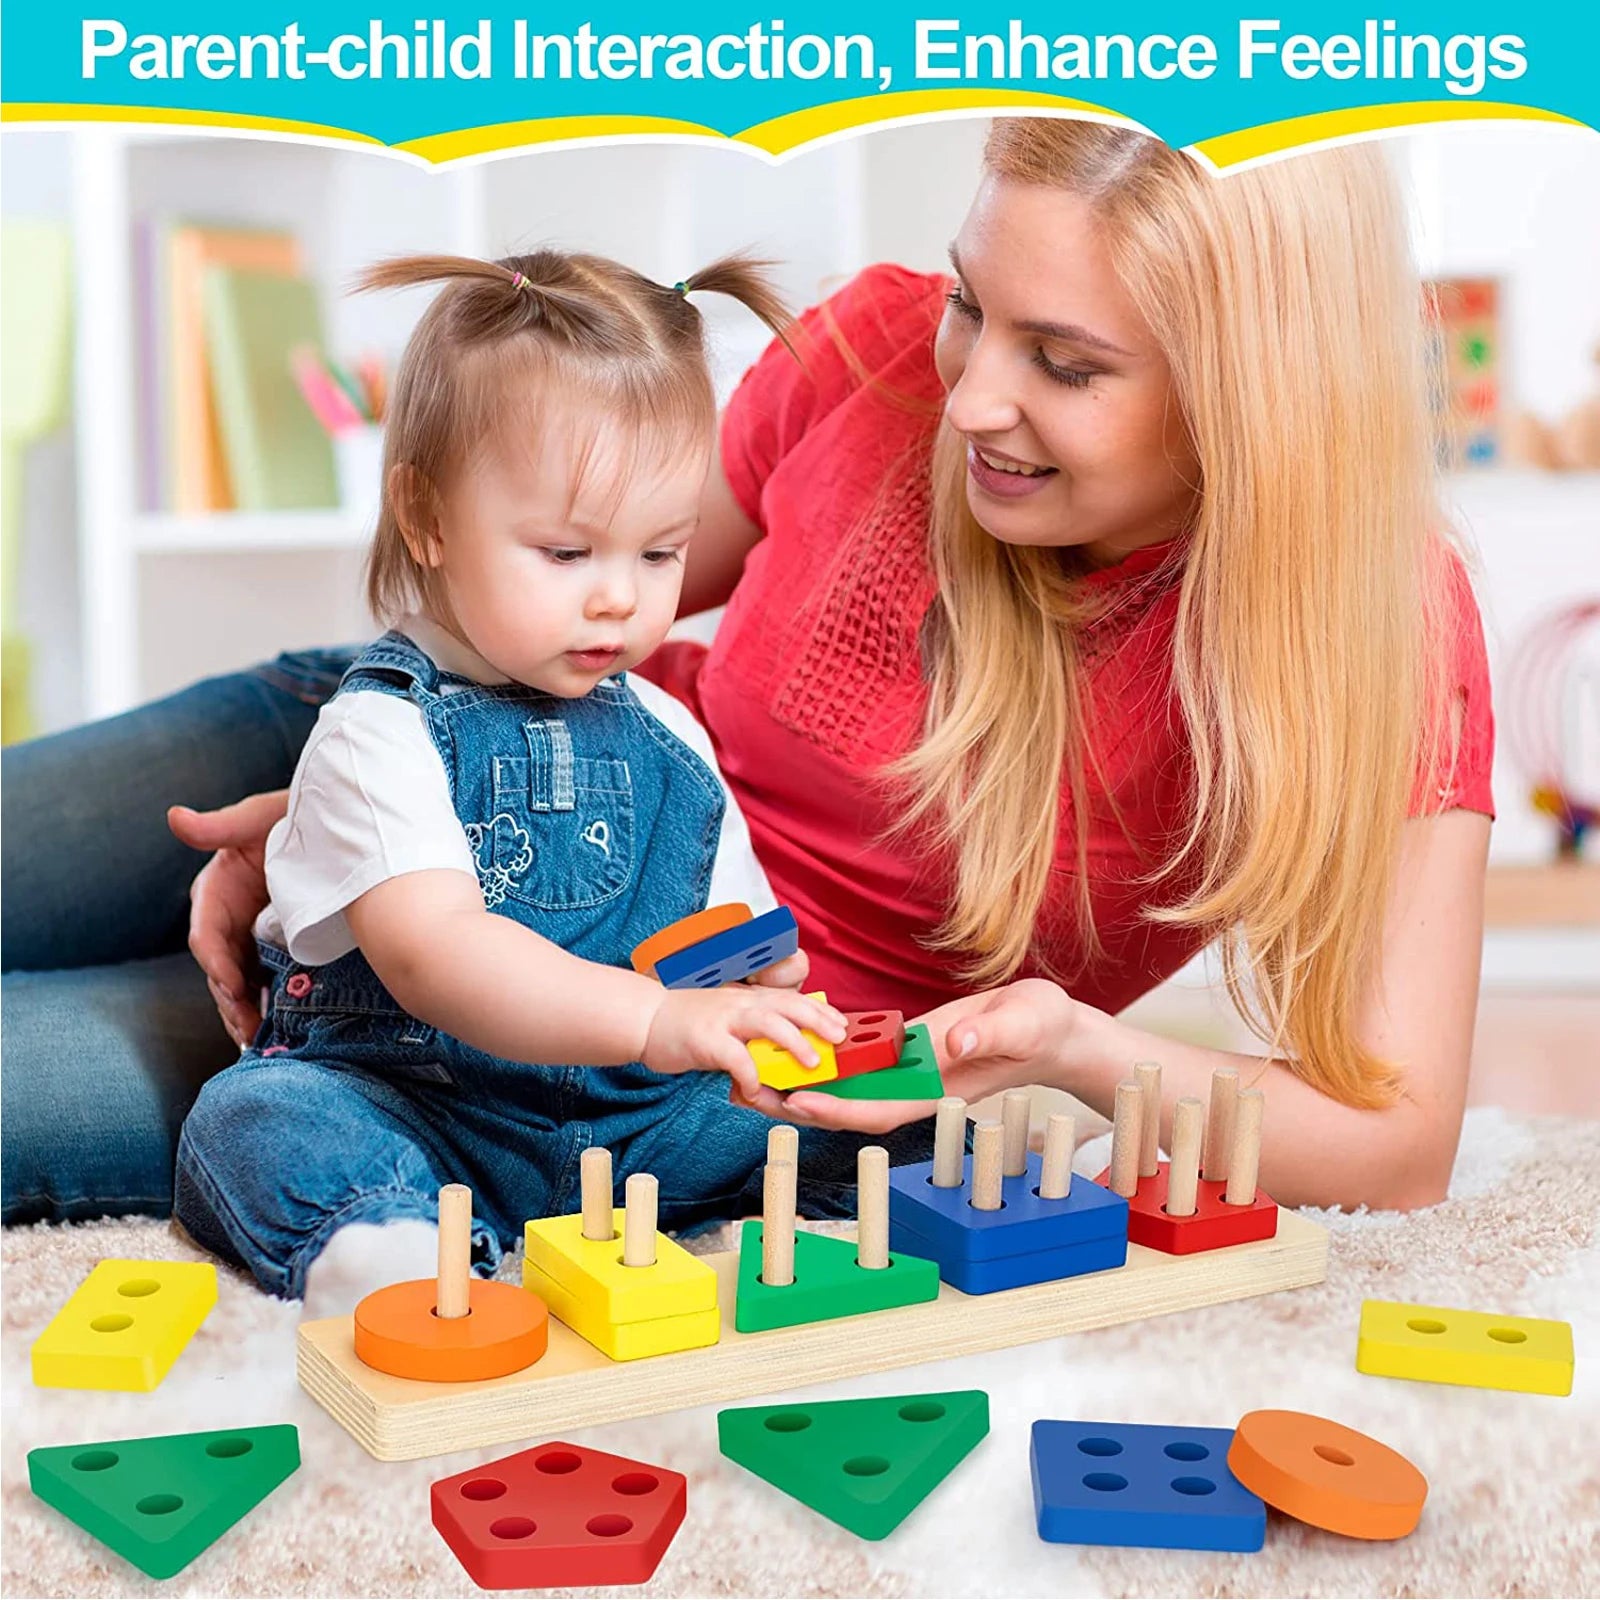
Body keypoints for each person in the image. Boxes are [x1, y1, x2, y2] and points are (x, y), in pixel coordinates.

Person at [0, 119, 1492, 1233]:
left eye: (1066, 364)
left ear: (1253, 392)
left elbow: (1398, 1141)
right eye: (971, 303)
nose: (969, 395)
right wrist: (367, 798)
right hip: (425, 734)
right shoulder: (881, 351)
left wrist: (1075, 1051)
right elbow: (586, 579)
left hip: (604, 1054)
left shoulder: (1375, 632)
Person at [176, 246, 932, 1313]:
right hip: (426, 1112)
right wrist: (653, 1020)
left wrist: (757, 995)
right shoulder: (376, 733)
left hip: (634, 1127)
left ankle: (978, 1173)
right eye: (568, 554)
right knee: (256, 1119)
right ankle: (386, 1243)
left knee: (867, 1113)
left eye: (660, 554)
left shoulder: (668, 731)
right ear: (428, 517)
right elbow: (436, 954)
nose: (620, 598)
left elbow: (726, 935)